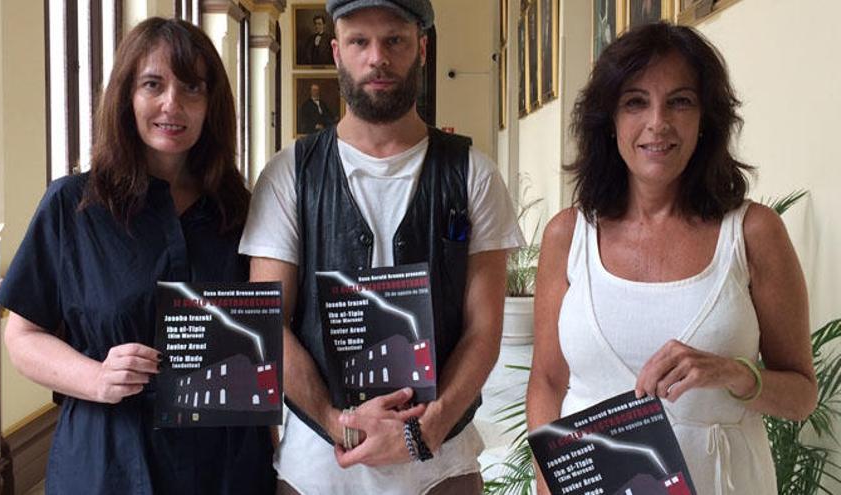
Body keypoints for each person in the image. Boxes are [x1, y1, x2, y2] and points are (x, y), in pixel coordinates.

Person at [240, 0, 523, 493]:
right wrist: (335, 420)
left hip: (442, 466)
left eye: (394, 39)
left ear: (423, 49)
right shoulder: (291, 175)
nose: (377, 57)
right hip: (319, 471)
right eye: (359, 41)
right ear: (335, 52)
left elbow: (484, 329)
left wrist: (427, 429)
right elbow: (268, 322)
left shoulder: (472, 173)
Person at [526, 22, 816, 494]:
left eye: (680, 101)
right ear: (610, 121)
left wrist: (732, 372)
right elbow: (546, 380)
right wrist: (547, 477)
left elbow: (802, 396)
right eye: (635, 102)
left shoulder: (752, 232)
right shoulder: (568, 234)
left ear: (706, 120)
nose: (657, 122)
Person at [0, 18, 275, 494]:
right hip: (109, 461)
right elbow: (22, 335)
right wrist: (96, 376)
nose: (173, 104)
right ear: (126, 95)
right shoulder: (73, 206)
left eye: (192, 88)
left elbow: (268, 333)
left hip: (225, 465)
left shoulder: (239, 208)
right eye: (153, 84)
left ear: (212, 105)